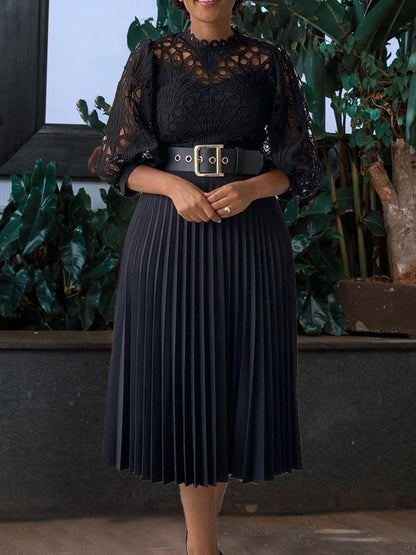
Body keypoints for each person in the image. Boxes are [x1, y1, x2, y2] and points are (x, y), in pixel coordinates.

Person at [94, 0, 323, 553]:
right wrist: (174, 186)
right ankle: (202, 547)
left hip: (251, 236)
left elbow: (299, 166)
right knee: (188, 382)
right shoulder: (151, 58)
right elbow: (115, 161)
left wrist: (251, 189)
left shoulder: (269, 61)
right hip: (169, 235)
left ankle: (203, 545)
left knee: (231, 380)